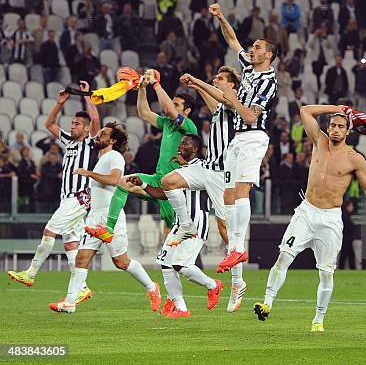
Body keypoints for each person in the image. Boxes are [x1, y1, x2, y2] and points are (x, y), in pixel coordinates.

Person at [253, 104, 366, 331]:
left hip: (331, 219)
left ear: (348, 131)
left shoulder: (355, 159)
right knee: (283, 257)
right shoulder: (319, 141)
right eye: (332, 125)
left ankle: (318, 320)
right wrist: (338, 108)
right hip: (306, 212)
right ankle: (267, 303)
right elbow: (305, 110)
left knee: (326, 272)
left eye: (340, 126)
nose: (335, 129)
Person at [160, 68, 248, 313]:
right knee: (169, 181)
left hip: (222, 175)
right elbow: (214, 104)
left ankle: (238, 282)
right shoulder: (221, 107)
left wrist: (197, 80)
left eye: (220, 79)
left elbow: (221, 100)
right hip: (207, 168)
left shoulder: (234, 102)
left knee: (224, 229)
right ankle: (187, 225)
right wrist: (196, 87)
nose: (215, 81)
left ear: (231, 85)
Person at [49, 123, 161, 313]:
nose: (98, 136)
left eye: (103, 134)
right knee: (81, 259)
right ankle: (70, 303)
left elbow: (115, 180)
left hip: (111, 216)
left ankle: (152, 287)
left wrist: (89, 173)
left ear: (113, 140)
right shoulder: (100, 158)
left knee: (121, 262)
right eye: (99, 133)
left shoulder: (114, 156)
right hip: (94, 216)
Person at [7, 83, 100, 305]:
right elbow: (49, 124)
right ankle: (82, 288)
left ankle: (30, 273)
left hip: (78, 197)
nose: (73, 126)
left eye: (77, 124)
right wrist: (59, 103)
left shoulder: (90, 143)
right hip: (68, 198)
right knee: (70, 244)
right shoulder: (69, 141)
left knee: (49, 231)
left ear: (86, 129)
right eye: (72, 123)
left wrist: (87, 96)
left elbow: (96, 121)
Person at [205, 3, 278, 274]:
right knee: (228, 194)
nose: (252, 49)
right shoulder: (248, 67)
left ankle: (237, 248)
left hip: (254, 137)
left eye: (258, 47)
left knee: (241, 191)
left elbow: (250, 116)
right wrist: (221, 17)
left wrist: (233, 99)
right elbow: (232, 39)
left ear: (268, 55)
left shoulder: (268, 83)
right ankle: (235, 248)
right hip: (236, 139)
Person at [86, 72, 198, 243]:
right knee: (124, 183)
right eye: (173, 103)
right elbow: (143, 112)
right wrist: (142, 87)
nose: (171, 106)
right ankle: (108, 229)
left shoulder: (189, 127)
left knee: (173, 244)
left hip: (175, 188)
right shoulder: (167, 123)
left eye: (177, 105)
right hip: (158, 181)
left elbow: (168, 108)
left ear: (187, 111)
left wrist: (156, 84)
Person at [130, 135, 224, 317]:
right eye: (181, 143)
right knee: (166, 264)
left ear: (195, 149)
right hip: (180, 224)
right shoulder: (182, 172)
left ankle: (213, 285)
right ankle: (180, 307)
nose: (181, 146)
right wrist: (142, 184)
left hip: (196, 222)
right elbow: (164, 194)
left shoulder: (202, 167)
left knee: (182, 265)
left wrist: (182, 164)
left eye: (186, 144)